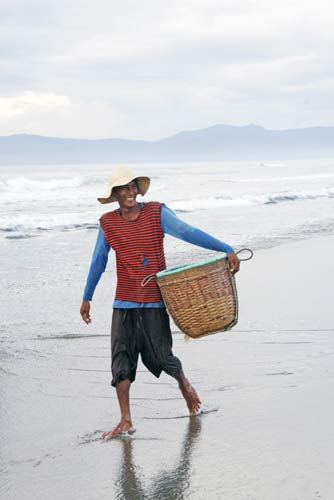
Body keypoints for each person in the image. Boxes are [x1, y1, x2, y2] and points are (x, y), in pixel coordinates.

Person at [80, 166, 240, 439]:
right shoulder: (107, 223)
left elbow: (188, 231)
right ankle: (126, 419)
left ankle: (184, 384)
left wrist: (225, 248)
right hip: (124, 303)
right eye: (123, 188)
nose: (129, 192)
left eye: (132, 187)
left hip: (154, 301)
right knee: (120, 360)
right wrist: (87, 296)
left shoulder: (156, 212)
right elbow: (99, 260)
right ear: (115, 194)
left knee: (161, 357)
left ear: (137, 189)